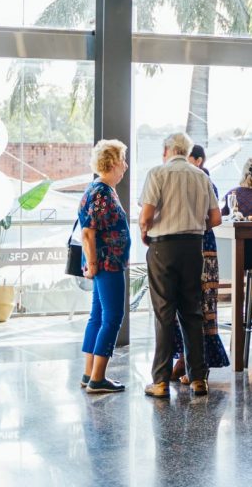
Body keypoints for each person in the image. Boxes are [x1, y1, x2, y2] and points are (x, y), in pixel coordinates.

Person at [139, 133, 221, 398]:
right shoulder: (201, 176)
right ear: (186, 152)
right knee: (192, 312)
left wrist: (144, 232)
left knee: (164, 313)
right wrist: (196, 227)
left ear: (166, 150)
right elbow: (216, 218)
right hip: (193, 247)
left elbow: (146, 215)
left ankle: (161, 382)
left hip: (163, 246)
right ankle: (199, 379)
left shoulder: (157, 174)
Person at [170, 144, 230, 383]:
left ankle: (192, 363)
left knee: (191, 303)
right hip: (204, 246)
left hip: (194, 247)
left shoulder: (183, 179)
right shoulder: (204, 180)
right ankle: (188, 362)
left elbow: (215, 217)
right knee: (201, 305)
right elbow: (216, 218)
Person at [78, 139, 131, 394]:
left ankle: (89, 374)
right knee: (112, 317)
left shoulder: (98, 189)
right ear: (112, 163)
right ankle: (98, 378)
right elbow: (88, 233)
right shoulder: (101, 192)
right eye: (122, 160)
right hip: (107, 264)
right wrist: (93, 264)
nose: (126, 166)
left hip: (105, 262)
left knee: (98, 317)